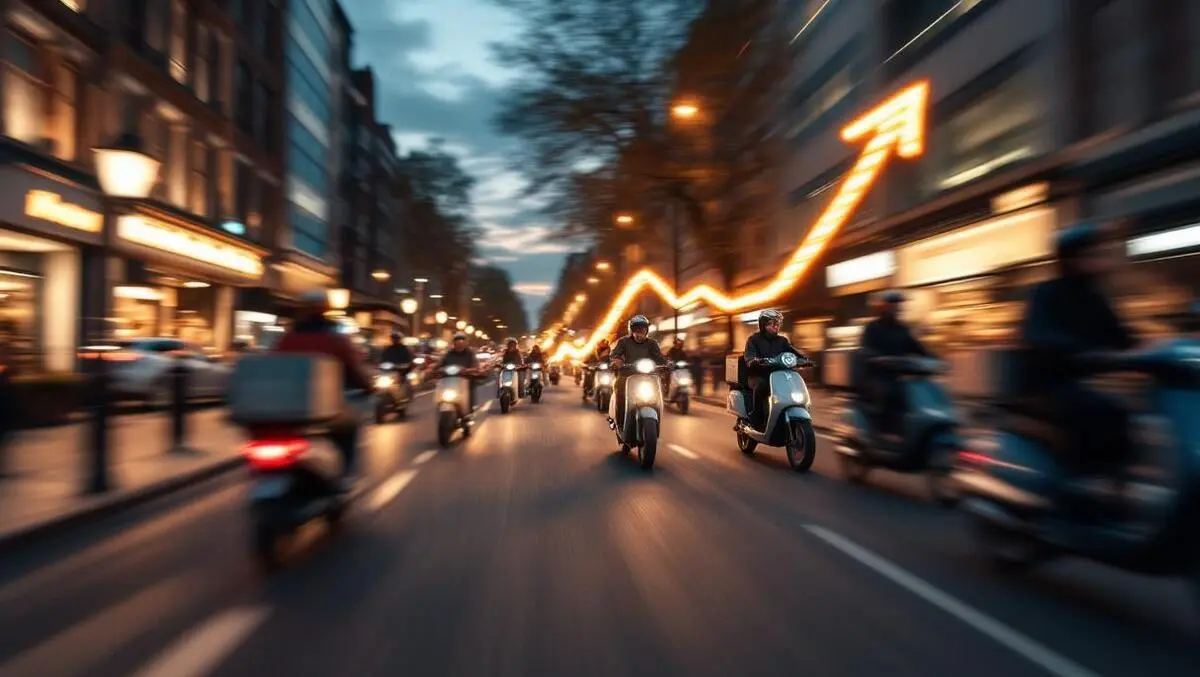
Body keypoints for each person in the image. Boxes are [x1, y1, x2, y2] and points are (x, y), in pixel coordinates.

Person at [1018, 221, 1136, 512]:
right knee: (1100, 411)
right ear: (1069, 259)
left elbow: (1122, 337)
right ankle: (1078, 483)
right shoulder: (1045, 293)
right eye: (1090, 254)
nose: (1097, 261)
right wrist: (1075, 349)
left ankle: (1110, 483)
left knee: (1126, 414)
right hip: (1047, 385)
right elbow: (1037, 333)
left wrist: (1153, 351)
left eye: (1097, 254)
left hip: (1082, 382)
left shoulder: (1096, 299)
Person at [274, 289, 374, 486]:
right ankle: (345, 476)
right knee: (349, 430)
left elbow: (274, 366)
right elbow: (354, 370)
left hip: (288, 408)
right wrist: (368, 386)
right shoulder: (336, 339)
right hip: (327, 408)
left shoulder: (288, 339)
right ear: (326, 310)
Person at [858, 290, 932, 437]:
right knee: (891, 392)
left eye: (899, 305)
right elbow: (866, 350)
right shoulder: (872, 328)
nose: (897, 308)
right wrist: (877, 358)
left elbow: (917, 347)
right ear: (883, 306)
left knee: (918, 393)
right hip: (877, 376)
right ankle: (882, 432)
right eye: (893, 304)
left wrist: (934, 359)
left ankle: (910, 430)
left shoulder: (902, 329)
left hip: (897, 376)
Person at [743, 310, 807, 428]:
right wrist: (754, 360)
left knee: (793, 387)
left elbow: (792, 351)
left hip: (779, 375)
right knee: (761, 387)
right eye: (773, 324)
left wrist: (804, 359)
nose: (776, 326)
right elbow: (749, 357)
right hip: (759, 375)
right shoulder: (753, 339)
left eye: (778, 324)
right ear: (763, 325)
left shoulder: (782, 340)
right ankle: (757, 419)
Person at [609, 315, 666, 421]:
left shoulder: (652, 343)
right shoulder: (624, 342)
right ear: (632, 330)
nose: (640, 331)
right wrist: (616, 360)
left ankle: (656, 416)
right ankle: (619, 419)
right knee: (619, 391)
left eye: (643, 328)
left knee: (658, 392)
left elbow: (660, 358)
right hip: (626, 375)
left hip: (648, 376)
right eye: (637, 328)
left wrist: (667, 364)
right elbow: (615, 354)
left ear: (647, 330)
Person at [439, 332, 483, 411]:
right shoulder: (448, 354)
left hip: (465, 379)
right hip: (449, 380)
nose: (459, 342)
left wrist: (469, 370)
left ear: (465, 343)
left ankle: (470, 409)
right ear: (454, 343)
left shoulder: (470, 354)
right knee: (441, 395)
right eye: (457, 340)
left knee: (470, 388)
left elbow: (476, 366)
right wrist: (435, 369)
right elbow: (440, 364)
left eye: (461, 340)